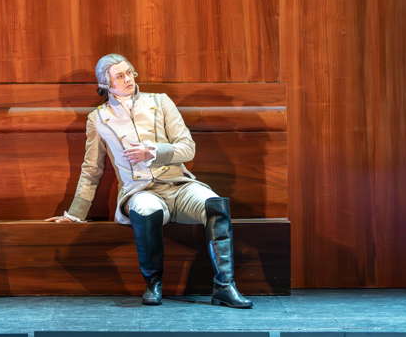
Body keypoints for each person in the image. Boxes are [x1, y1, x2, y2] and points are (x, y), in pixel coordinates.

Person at [46, 54, 252, 309]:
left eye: (130, 72)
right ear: (106, 84)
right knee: (146, 208)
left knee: (214, 204)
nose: (128, 79)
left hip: (179, 185)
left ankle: (225, 287)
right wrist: (75, 214)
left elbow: (188, 149)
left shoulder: (160, 102)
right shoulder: (98, 119)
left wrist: (154, 152)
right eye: (120, 76)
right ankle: (153, 284)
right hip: (140, 190)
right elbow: (91, 169)